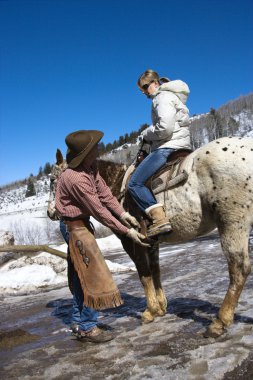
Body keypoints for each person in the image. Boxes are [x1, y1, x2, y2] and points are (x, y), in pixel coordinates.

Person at [55, 129, 148, 343]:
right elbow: (99, 211)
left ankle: (79, 321)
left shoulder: (90, 167)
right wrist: (127, 231)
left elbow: (105, 195)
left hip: (80, 224)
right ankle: (88, 327)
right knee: (92, 274)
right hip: (74, 227)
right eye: (94, 147)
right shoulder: (76, 178)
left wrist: (124, 214)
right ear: (86, 152)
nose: (98, 149)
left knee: (81, 275)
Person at [128, 69, 192, 238]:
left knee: (134, 184)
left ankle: (160, 220)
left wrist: (146, 134)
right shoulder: (173, 97)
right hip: (182, 144)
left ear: (155, 83)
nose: (144, 92)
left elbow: (165, 128)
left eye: (145, 87)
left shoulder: (161, 98)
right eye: (142, 89)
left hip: (168, 147)